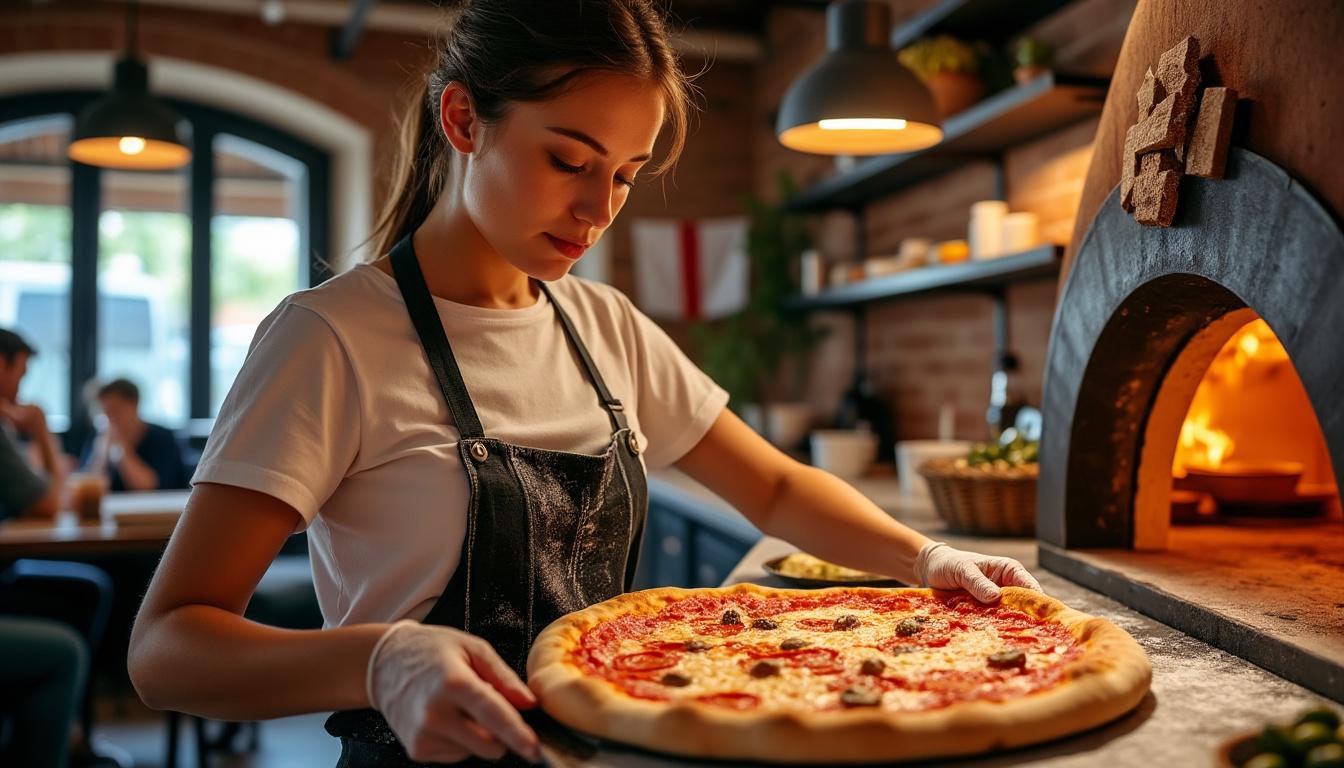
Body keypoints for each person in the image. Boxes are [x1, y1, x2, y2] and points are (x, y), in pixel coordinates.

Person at [126, 2, 1042, 766]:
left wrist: (926, 559)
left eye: (626, 176)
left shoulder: (604, 325)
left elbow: (770, 485)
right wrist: (381, 661)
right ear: (463, 121)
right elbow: (166, 648)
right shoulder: (329, 337)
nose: (599, 209)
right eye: (569, 160)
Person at [82, 377, 188, 492]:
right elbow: (89, 488)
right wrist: (101, 456)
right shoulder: (100, 438)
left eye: (115, 411)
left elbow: (149, 488)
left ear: (135, 405)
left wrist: (123, 450)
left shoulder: (162, 439)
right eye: (105, 413)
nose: (110, 419)